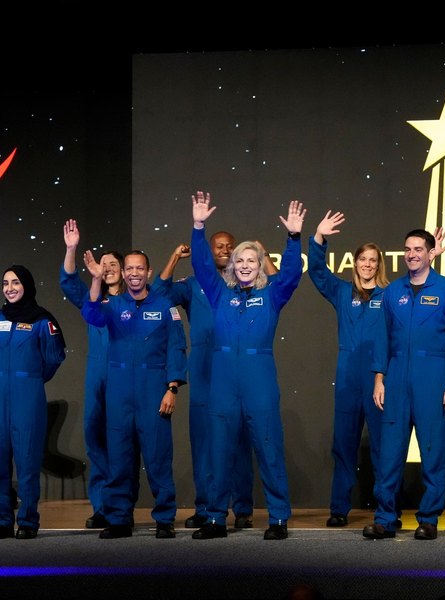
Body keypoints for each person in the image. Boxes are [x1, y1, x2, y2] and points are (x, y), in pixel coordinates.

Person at [190, 192, 304, 541]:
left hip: (259, 379)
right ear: (231, 266)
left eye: (251, 260)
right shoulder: (219, 293)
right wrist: (198, 227)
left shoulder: (272, 295)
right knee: (218, 451)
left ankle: (278, 519)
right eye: (239, 260)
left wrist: (294, 238)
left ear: (260, 265)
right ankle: (214, 518)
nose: (244, 265)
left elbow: (291, 274)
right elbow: (201, 266)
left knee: (269, 449)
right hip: (223, 380)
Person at [152, 233, 278, 530]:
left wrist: (263, 254)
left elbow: (277, 286)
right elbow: (159, 292)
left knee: (241, 437)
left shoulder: (242, 284)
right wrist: (174, 257)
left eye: (229, 246)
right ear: (208, 251)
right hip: (203, 365)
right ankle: (206, 505)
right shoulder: (195, 283)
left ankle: (243, 507)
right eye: (218, 246)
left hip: (236, 362)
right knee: (204, 439)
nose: (225, 250)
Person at [363, 229, 445, 541]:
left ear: (431, 253)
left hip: (433, 376)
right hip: (396, 377)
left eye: (418, 249)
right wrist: (379, 379)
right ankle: (385, 519)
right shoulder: (392, 291)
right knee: (389, 453)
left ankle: (429, 519)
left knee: (433, 451)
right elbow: (382, 338)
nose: (411, 254)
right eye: (408, 249)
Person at [81, 250, 187, 539]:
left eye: (139, 268)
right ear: (124, 274)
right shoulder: (113, 304)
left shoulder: (165, 306)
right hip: (119, 393)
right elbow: (91, 314)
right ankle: (119, 519)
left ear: (148, 272)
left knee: (158, 457)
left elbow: (177, 348)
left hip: (153, 390)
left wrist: (172, 388)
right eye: (129, 269)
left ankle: (164, 519)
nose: (134, 273)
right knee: (119, 458)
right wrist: (95, 279)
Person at [308, 210, 396, 527]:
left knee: (383, 447)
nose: (367, 264)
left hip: (379, 377)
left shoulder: (391, 295)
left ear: (379, 265)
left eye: (373, 260)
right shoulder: (343, 292)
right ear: (355, 263)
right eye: (363, 259)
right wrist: (319, 237)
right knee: (343, 444)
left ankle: (388, 511)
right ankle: (338, 509)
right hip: (347, 377)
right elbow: (317, 272)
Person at [61, 219, 138, 529]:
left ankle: (123, 506)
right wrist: (71, 249)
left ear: (124, 270)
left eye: (113, 264)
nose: (107, 269)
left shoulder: (134, 300)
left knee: (124, 444)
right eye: (103, 264)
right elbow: (69, 282)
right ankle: (102, 507)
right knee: (95, 440)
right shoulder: (93, 299)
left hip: (125, 378)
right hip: (97, 377)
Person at [0, 266, 66, 539]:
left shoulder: (42, 320)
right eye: (5, 283)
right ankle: (3, 520)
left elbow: (54, 358)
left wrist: (31, 379)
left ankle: (27, 521)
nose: (10, 288)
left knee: (27, 460)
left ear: (26, 285)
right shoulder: (0, 317)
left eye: (15, 282)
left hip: (28, 395)